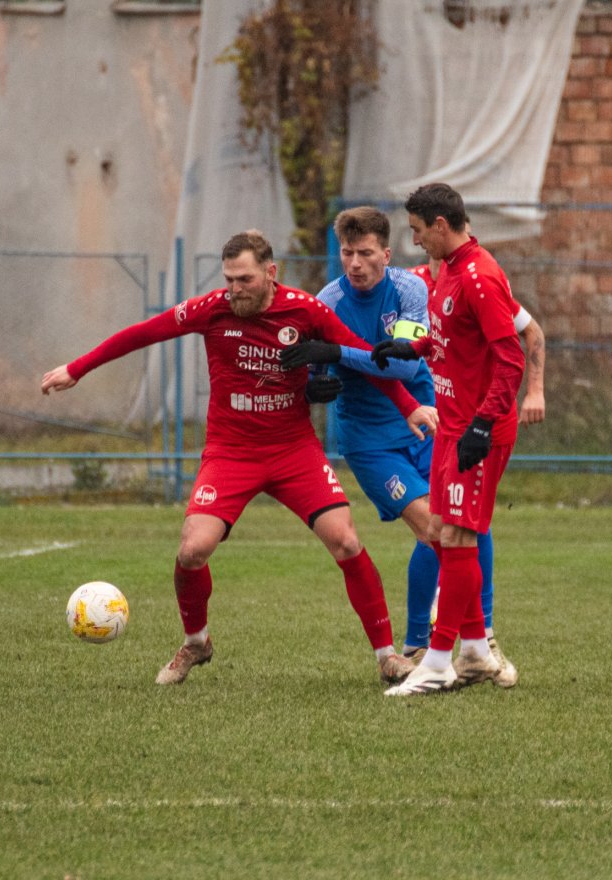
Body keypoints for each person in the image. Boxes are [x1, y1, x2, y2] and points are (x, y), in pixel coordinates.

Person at [41, 230, 437, 686]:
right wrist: (77, 368)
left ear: (271, 273)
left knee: (346, 540)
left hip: (293, 450)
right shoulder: (212, 309)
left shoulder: (306, 310)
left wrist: (409, 406)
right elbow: (143, 334)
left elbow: (366, 359)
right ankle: (196, 642)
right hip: (231, 452)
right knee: (193, 550)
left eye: (245, 279)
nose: (235, 289)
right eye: (229, 279)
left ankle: (387, 656)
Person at [281, 206, 543, 676]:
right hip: (369, 441)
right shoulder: (328, 301)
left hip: (428, 423)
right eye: (347, 253)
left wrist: (340, 352)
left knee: (467, 525)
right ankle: (459, 646)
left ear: (386, 253)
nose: (355, 263)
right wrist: (316, 385)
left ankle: (458, 641)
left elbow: (402, 366)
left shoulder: (411, 289)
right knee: (434, 529)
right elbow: (315, 371)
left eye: (365, 253)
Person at [373, 183, 525, 696]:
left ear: (440, 225)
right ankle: (476, 652)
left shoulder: (479, 277)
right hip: (450, 425)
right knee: (440, 532)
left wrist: (484, 423)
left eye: (418, 231)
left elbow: (510, 358)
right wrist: (408, 348)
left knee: (459, 538)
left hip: (475, 430)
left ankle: (438, 663)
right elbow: (449, 340)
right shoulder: (448, 272)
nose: (415, 241)